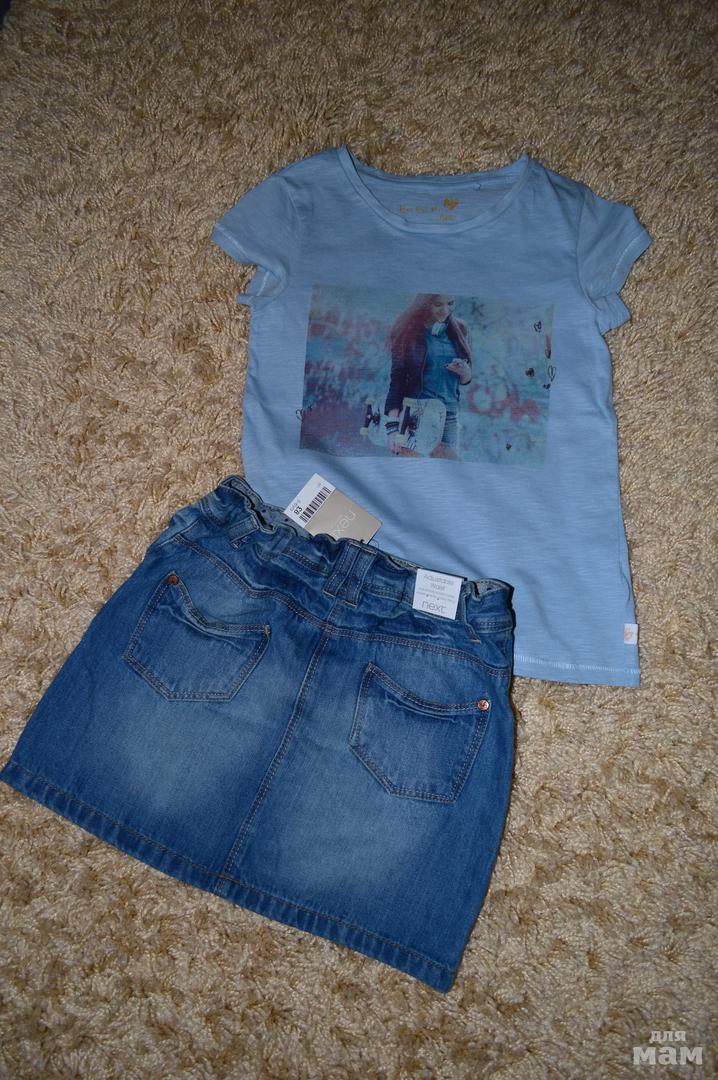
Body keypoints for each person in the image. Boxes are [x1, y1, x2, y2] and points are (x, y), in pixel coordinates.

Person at [383, 294, 472, 457]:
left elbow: (464, 380)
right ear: (425, 304)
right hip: (416, 415)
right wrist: (392, 428)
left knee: (447, 470)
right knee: (412, 470)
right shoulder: (407, 332)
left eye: (450, 303)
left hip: (449, 416)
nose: (445, 310)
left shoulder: (461, 329)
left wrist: (465, 372)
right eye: (438, 304)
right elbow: (397, 381)